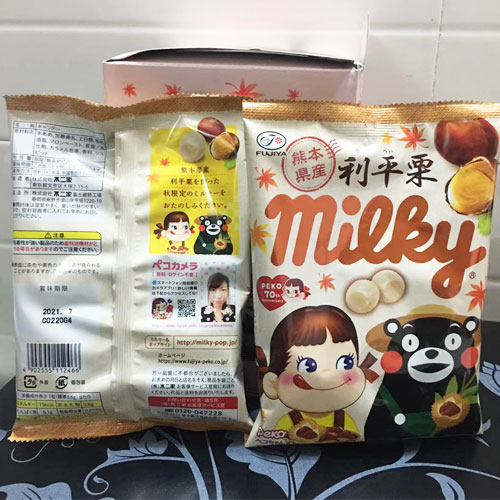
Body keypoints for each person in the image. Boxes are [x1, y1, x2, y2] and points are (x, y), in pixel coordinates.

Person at [257, 305, 375, 443]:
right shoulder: (287, 422)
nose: (327, 374)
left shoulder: (346, 420)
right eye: (307, 365)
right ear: (272, 384)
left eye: (346, 362)